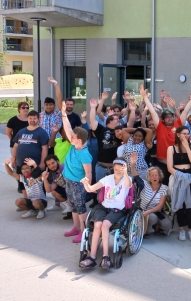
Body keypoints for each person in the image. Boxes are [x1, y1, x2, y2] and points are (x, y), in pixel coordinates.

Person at [78, 157, 131, 268]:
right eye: (116, 168)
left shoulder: (127, 179)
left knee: (105, 225)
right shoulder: (107, 178)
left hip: (117, 209)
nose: (118, 170)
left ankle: (105, 257)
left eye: (120, 169)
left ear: (124, 169)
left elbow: (128, 184)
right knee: (97, 225)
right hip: (104, 207)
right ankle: (92, 257)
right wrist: (85, 183)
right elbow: (90, 189)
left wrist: (125, 173)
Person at [142, 84, 191, 185]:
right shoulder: (159, 126)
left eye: (171, 116)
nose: (170, 118)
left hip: (176, 165)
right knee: (163, 189)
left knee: (176, 192)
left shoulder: (178, 125)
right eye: (167, 117)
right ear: (162, 119)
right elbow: (152, 112)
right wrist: (145, 98)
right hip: (162, 164)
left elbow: (186, 110)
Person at [60, 101, 93, 243]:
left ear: (79, 140)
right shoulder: (75, 146)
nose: (69, 136)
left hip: (78, 184)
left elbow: (89, 173)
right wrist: (63, 113)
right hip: (68, 180)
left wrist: (88, 186)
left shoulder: (84, 154)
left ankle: (84, 232)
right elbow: (67, 127)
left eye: (72, 136)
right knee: (73, 206)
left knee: (80, 208)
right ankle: (76, 228)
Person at [167, 125, 191, 241]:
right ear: (178, 135)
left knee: (190, 203)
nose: (186, 136)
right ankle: (181, 229)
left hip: (190, 175)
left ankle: (190, 229)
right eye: (183, 133)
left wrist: (187, 147)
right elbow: (169, 167)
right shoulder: (171, 148)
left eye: (187, 133)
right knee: (179, 202)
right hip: (178, 175)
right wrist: (180, 175)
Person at [10, 110, 49, 195]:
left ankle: (40, 201)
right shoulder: (21, 131)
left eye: (34, 118)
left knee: (38, 182)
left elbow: (45, 148)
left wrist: (42, 163)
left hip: (34, 163)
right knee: (22, 183)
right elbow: (15, 146)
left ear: (38, 119)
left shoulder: (42, 132)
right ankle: (26, 200)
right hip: (21, 163)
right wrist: (13, 159)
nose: (32, 120)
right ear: (27, 119)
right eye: (30, 118)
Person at [133, 154, 172, 237]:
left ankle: (156, 227)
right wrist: (132, 164)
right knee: (152, 218)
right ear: (149, 177)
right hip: (143, 210)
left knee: (168, 224)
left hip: (155, 211)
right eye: (152, 175)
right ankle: (145, 229)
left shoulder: (164, 188)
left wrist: (149, 212)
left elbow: (161, 205)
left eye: (156, 175)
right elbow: (135, 176)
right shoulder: (144, 184)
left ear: (159, 176)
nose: (154, 177)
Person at [89, 97, 121, 183]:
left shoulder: (121, 131)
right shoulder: (101, 130)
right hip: (101, 168)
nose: (119, 120)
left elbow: (131, 122)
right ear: (110, 121)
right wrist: (92, 108)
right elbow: (93, 121)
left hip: (116, 169)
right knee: (100, 193)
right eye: (116, 119)